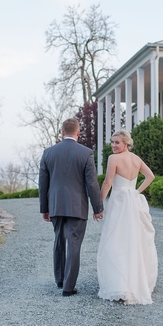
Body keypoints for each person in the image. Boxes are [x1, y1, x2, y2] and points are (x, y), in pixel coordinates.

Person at [39, 118, 104, 297]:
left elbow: (43, 183)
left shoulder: (48, 153)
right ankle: (68, 286)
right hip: (77, 206)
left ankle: (59, 280)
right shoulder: (86, 153)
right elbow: (92, 183)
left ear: (62, 132)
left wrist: (44, 208)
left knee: (58, 240)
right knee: (74, 244)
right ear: (78, 132)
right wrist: (97, 207)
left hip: (56, 205)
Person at [97, 130, 158, 305]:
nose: (113, 145)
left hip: (119, 203)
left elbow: (108, 182)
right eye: (112, 142)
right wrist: (136, 192)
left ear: (126, 144)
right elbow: (150, 176)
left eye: (117, 142)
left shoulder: (113, 159)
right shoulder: (136, 159)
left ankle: (121, 283)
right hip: (132, 202)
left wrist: (99, 204)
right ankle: (133, 282)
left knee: (116, 241)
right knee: (132, 241)